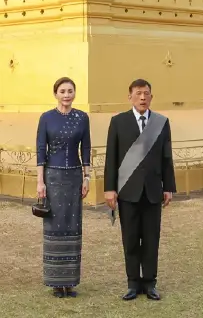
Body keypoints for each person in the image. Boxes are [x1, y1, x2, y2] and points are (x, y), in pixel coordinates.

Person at [103, 78, 176, 301]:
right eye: (138, 93)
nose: (142, 97)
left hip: (154, 190)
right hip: (127, 191)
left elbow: (166, 157)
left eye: (146, 93)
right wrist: (109, 189)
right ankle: (133, 283)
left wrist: (169, 187)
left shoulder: (161, 123)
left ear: (151, 96)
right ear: (130, 97)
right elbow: (111, 158)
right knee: (131, 239)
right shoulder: (118, 122)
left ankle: (150, 283)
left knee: (152, 239)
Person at [35, 76, 91, 298]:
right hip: (53, 177)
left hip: (74, 177)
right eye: (62, 91)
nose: (67, 95)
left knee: (73, 226)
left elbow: (86, 148)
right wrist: (40, 182)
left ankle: (70, 282)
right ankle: (56, 283)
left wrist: (87, 178)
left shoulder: (82, 118)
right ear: (55, 94)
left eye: (70, 91)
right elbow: (41, 150)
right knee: (54, 227)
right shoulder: (47, 118)